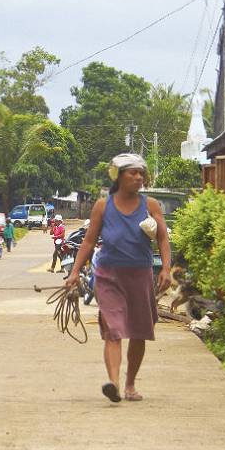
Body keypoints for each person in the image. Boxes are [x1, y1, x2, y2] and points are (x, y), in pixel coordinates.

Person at [65, 153, 171, 403]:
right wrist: (74, 272)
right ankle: (113, 383)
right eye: (132, 173)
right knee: (112, 329)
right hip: (109, 277)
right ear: (119, 176)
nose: (138, 177)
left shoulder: (151, 205)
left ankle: (130, 385)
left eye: (141, 173)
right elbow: (89, 241)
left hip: (141, 276)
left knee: (139, 331)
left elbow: (163, 239)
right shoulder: (104, 205)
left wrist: (166, 268)